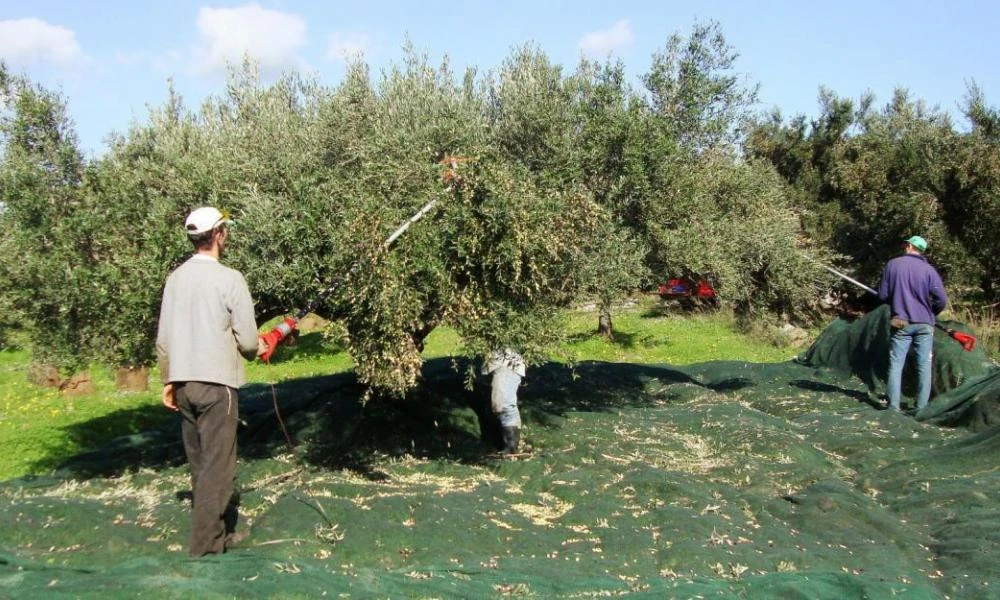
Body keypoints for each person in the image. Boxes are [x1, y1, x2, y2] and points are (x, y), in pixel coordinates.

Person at [156, 206, 266, 556]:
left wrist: (168, 381)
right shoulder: (230, 279)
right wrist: (258, 347)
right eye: (226, 228)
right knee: (218, 470)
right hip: (218, 386)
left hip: (184, 384)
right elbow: (248, 342)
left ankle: (215, 536)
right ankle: (204, 550)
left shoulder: (174, 280)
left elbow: (163, 339)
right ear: (218, 235)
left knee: (200, 464)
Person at [877, 235, 948, 413]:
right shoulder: (929, 270)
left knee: (896, 364)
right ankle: (921, 407)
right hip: (925, 323)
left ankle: (893, 406)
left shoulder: (892, 265)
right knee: (924, 365)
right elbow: (941, 299)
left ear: (909, 246)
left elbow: (883, 296)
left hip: (900, 321)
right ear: (920, 250)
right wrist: (932, 312)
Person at [481, 348, 526, 454]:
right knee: (499, 405)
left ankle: (511, 448)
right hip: (496, 360)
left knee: (504, 405)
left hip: (507, 362)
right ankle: (510, 446)